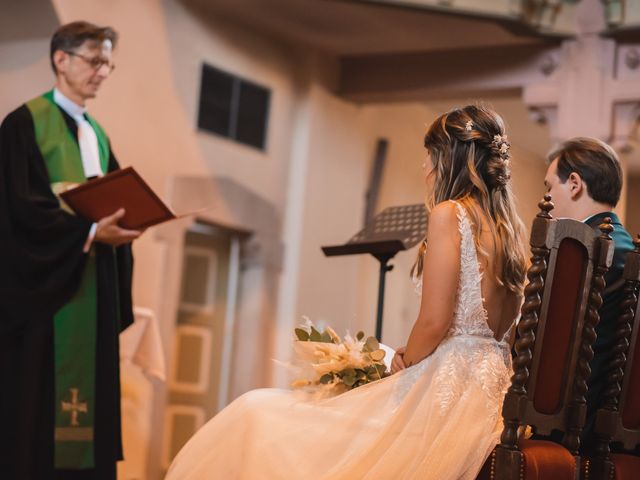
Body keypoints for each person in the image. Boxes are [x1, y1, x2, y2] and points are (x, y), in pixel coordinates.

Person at [165, 105, 528, 480]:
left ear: (451, 158)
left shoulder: (450, 215)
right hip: (492, 394)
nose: (425, 167)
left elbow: (434, 322)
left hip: (446, 391)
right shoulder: (512, 231)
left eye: (431, 155)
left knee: (257, 414)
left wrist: (401, 363)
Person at [0, 21, 142, 480]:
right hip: (45, 298)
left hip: (90, 288)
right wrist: (86, 233)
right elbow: (19, 212)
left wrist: (129, 223)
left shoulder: (95, 135)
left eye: (108, 63)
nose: (103, 71)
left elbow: (115, 201)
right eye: (95, 60)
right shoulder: (24, 125)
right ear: (61, 59)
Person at [541, 137, 634, 454]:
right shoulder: (629, 250)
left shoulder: (579, 252)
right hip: (621, 435)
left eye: (550, 187)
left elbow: (549, 348)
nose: (548, 198)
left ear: (575, 184)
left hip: (573, 426)